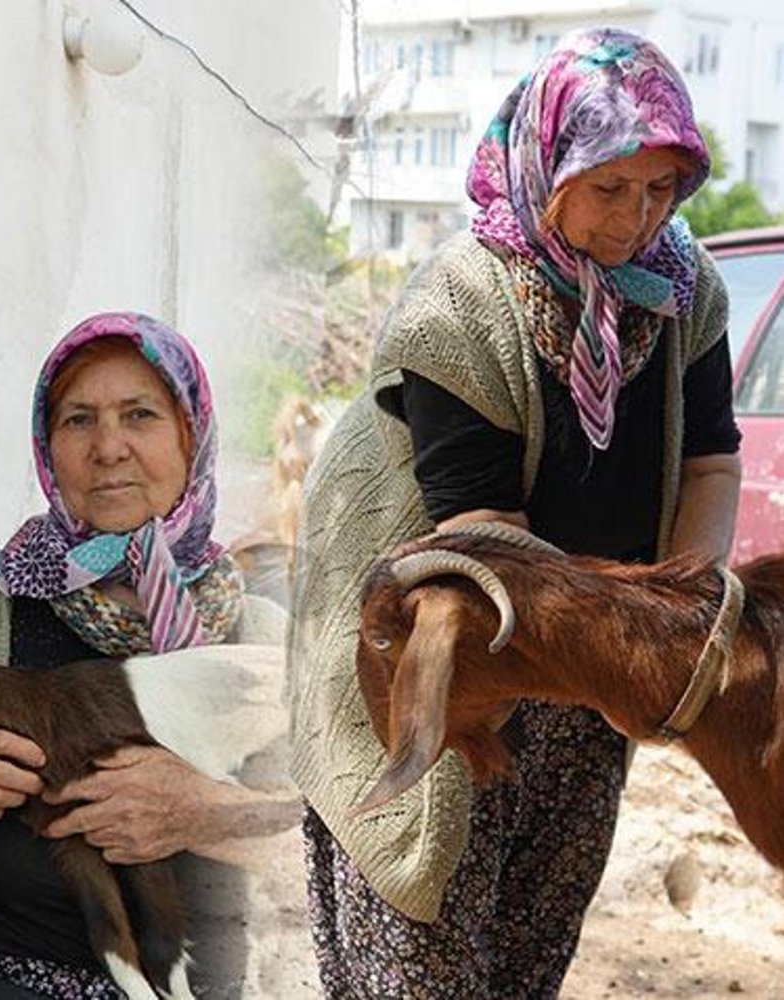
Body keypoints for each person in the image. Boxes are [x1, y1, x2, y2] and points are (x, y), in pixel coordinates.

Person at [287, 26, 740, 999]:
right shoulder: (463, 304)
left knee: (528, 948)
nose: (636, 220)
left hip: (583, 670)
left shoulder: (683, 287)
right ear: (550, 164)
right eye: (612, 187)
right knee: (425, 947)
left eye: (662, 190)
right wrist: (631, 641)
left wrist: (689, 615)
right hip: (448, 656)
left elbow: (710, 463)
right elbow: (492, 551)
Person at [0, 312, 291, 999]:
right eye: (78, 420)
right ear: (49, 448)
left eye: (139, 416)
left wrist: (204, 811)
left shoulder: (260, 637)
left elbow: (339, 857)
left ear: (192, 436)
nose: (108, 447)